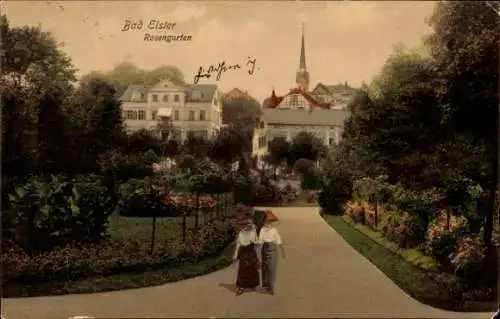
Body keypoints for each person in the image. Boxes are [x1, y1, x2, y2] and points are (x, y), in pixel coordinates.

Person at [233, 216, 260, 295]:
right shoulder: (242, 232)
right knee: (243, 269)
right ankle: (241, 287)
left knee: (253, 268)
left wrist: (255, 242)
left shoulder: (253, 230)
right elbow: (238, 244)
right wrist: (235, 254)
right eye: (248, 224)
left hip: (251, 250)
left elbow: (256, 240)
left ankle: (253, 285)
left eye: (250, 223)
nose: (249, 225)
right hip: (244, 251)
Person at [258, 214, 285, 295]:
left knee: (272, 268)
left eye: (270, 222)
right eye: (267, 222)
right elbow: (260, 242)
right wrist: (257, 252)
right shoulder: (262, 230)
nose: (268, 223)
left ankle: (271, 287)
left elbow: (279, 240)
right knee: (265, 267)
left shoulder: (274, 230)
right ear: (264, 222)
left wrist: (283, 251)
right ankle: (266, 285)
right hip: (265, 249)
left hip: (273, 249)